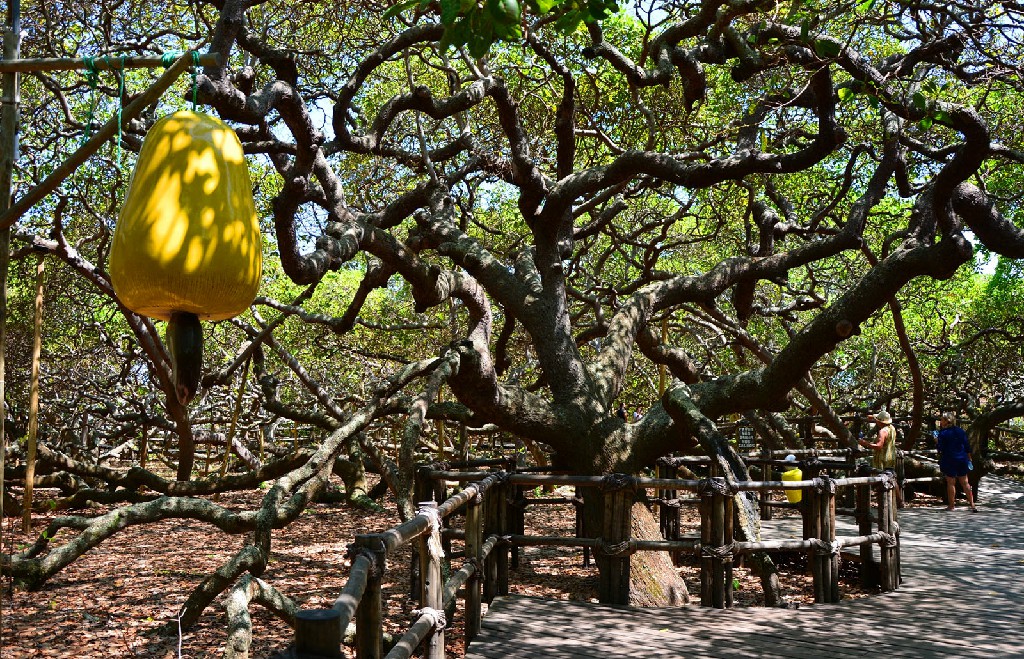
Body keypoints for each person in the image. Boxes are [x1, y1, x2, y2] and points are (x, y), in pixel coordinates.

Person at [859, 410, 903, 506]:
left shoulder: (882, 431)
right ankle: (899, 501)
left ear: (880, 422)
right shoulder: (892, 428)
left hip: (883, 458)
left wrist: (866, 444)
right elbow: (877, 417)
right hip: (890, 456)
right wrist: (871, 417)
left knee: (881, 478)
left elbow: (879, 446)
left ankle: (884, 502)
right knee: (892, 478)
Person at [935, 412, 977, 512]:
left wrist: (936, 440)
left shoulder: (943, 433)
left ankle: (951, 505)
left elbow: (940, 448)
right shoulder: (960, 431)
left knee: (951, 482)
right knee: (965, 482)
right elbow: (967, 446)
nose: (940, 422)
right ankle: (972, 504)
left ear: (946, 421)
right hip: (962, 459)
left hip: (949, 459)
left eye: (942, 419)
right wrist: (969, 458)